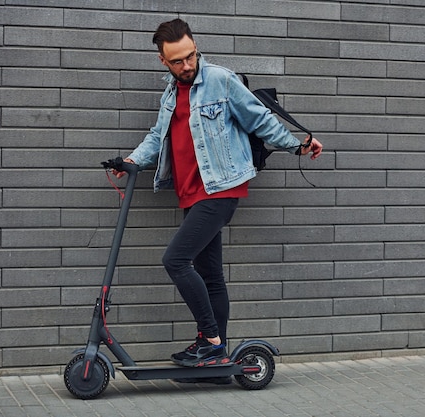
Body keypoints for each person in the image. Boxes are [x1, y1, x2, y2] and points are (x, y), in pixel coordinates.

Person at [114, 18, 322, 374]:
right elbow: (157, 135)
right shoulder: (170, 93)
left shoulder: (220, 80)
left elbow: (261, 120)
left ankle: (211, 341)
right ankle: (217, 356)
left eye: (191, 56)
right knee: (210, 274)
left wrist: (297, 144)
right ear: (163, 61)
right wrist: (133, 160)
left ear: (196, 48)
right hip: (191, 193)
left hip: (221, 188)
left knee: (176, 260)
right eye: (177, 60)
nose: (188, 65)